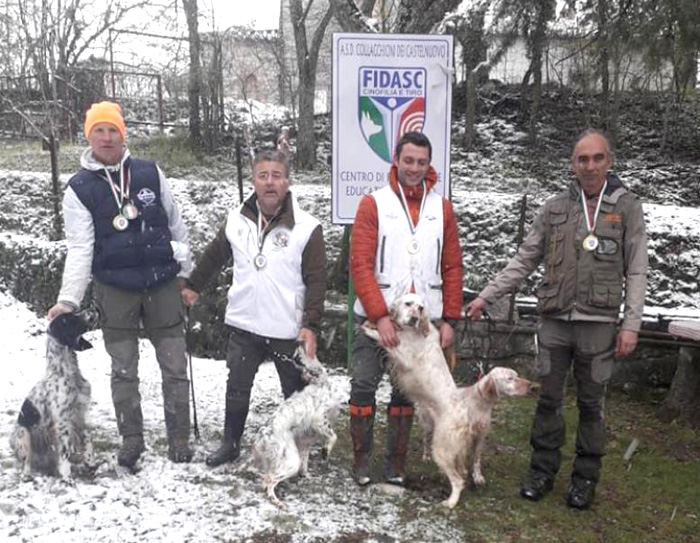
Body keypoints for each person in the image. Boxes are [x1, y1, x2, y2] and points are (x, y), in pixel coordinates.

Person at [466, 129, 648, 509]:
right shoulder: (554, 208)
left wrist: (630, 323)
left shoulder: (627, 206)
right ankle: (542, 470)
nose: (590, 165)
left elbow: (638, 268)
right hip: (555, 322)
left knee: (592, 403)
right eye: (582, 159)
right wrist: (486, 294)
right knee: (548, 399)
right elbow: (525, 258)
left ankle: (584, 478)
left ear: (608, 162)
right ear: (572, 164)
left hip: (598, 325)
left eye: (597, 158)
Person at [47, 101, 194, 468]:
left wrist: (185, 272)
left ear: (123, 133)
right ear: (89, 136)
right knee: (124, 368)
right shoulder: (79, 189)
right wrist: (68, 300)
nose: (107, 137)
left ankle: (179, 437)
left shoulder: (149, 172)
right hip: (115, 288)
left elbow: (176, 225)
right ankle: (132, 438)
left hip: (161, 283)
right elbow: (80, 249)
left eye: (113, 130)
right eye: (99, 130)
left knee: (175, 364)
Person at [181, 149, 326, 467]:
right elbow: (214, 256)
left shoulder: (306, 227)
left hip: (287, 328)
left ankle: (301, 450)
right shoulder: (236, 220)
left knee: (296, 394)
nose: (269, 182)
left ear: (287, 182)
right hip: (245, 324)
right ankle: (230, 443)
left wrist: (310, 324)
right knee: (236, 388)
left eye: (276, 175)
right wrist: (192, 286)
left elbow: (317, 281)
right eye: (263, 176)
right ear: (253, 181)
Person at [349, 131, 463, 486]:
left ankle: (396, 466)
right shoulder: (373, 202)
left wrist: (451, 319)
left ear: (430, 165)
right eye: (408, 160)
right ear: (396, 160)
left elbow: (452, 266)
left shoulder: (441, 207)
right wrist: (380, 315)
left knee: (406, 394)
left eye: (422, 162)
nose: (414, 168)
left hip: (421, 323)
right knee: (363, 386)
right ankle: (361, 461)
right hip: (375, 315)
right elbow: (360, 263)